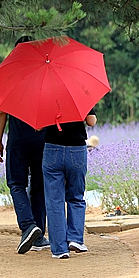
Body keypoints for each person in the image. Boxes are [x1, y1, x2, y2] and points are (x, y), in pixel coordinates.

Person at [0, 37, 50, 255]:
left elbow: (1, 111)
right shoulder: (48, 72)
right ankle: (39, 237)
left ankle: (28, 226)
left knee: (16, 183)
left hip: (18, 140)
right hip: (43, 140)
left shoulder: (10, 74)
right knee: (39, 187)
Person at [42, 106, 98, 259]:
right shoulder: (78, 91)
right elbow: (91, 122)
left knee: (54, 201)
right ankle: (75, 238)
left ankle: (60, 249)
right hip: (77, 149)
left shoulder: (46, 94)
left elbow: (38, 126)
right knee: (76, 196)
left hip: (52, 148)